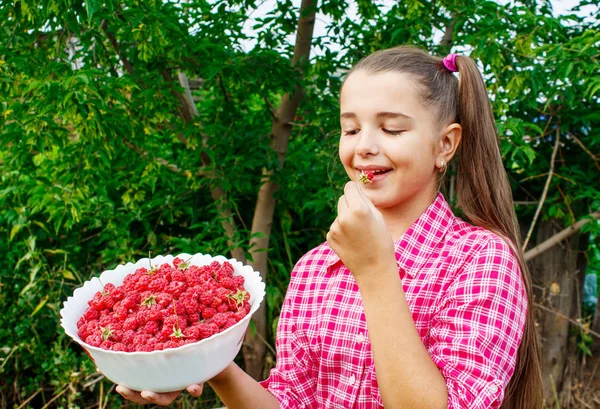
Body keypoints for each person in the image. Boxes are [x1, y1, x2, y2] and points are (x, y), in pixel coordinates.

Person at [116, 46, 543, 408]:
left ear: (445, 144)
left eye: (391, 129)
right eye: (350, 128)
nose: (364, 146)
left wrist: (375, 270)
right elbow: (290, 399)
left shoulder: (481, 259)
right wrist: (204, 359)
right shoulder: (314, 268)